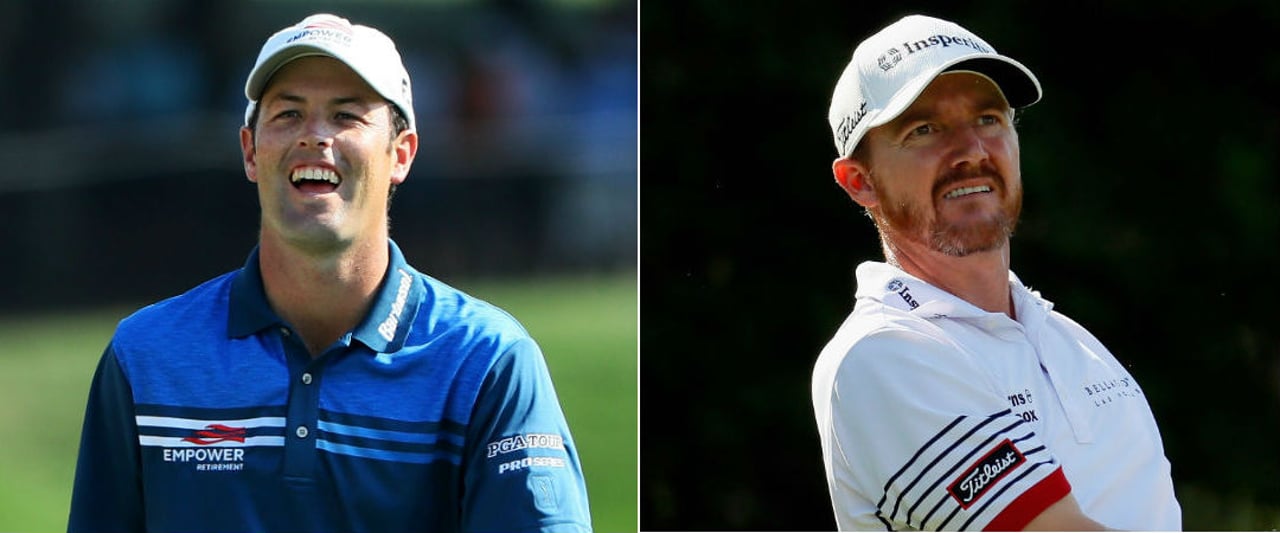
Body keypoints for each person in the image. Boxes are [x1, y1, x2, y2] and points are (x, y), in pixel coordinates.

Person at [68, 13, 592, 533]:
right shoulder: (145, 357)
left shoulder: (485, 363)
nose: (315, 136)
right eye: (288, 115)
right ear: (250, 151)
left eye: (346, 116)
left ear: (401, 154)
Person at [810, 14, 1180, 531]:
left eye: (988, 118)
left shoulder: (1070, 341)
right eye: (925, 129)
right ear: (858, 181)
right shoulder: (878, 357)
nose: (972, 152)